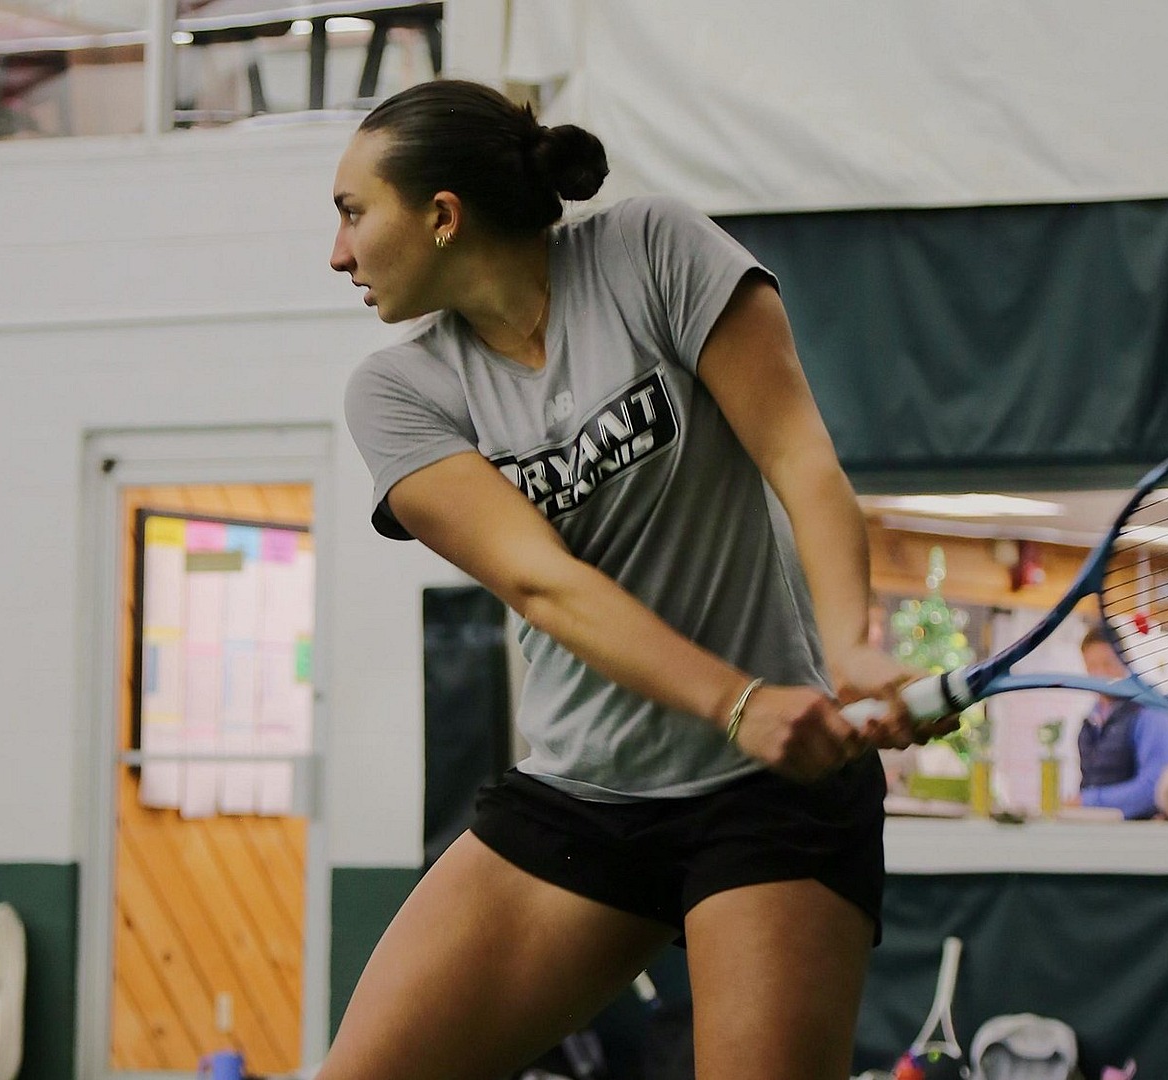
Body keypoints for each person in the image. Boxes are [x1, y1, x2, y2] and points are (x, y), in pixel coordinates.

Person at [327, 80, 955, 1080]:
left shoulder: (652, 251)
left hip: (773, 797)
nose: (339, 253)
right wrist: (735, 700)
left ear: (441, 215)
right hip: (584, 797)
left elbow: (798, 454)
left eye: (353, 213)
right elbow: (544, 586)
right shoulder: (398, 394)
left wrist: (848, 647)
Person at [1076, 626, 1168, 819]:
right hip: (1095, 833)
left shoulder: (1151, 711)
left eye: (1107, 664)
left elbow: (1154, 788)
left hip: (1139, 836)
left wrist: (1089, 802)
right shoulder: (1092, 717)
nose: (1099, 674)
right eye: (1091, 666)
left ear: (1126, 660)